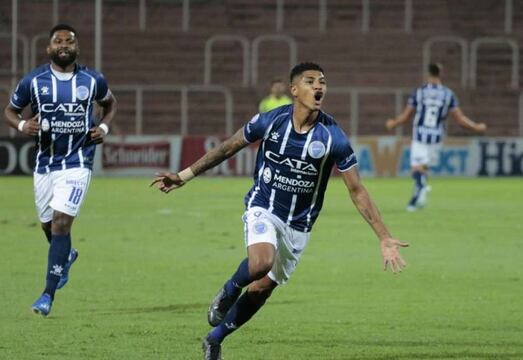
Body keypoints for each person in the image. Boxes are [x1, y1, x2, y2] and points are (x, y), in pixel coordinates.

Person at [151, 62, 408, 360]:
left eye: (322, 82)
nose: (319, 87)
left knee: (262, 289)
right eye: (310, 81)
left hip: (299, 227)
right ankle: (229, 289)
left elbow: (357, 190)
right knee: (260, 263)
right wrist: (184, 176)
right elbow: (227, 148)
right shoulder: (271, 121)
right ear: (294, 90)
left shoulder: (333, 136)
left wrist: (384, 237)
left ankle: (214, 339)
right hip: (264, 207)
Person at [3, 24, 117, 316]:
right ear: (49, 48)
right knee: (47, 225)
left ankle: (47, 295)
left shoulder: (92, 79)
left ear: (77, 48)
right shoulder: (34, 80)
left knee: (61, 223)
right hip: (45, 164)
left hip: (78, 161)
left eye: (69, 41)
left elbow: (110, 103)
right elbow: (10, 110)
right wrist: (20, 125)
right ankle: (67, 254)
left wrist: (103, 126)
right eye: (58, 41)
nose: (64, 45)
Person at [386, 63, 486, 211]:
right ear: (441, 73)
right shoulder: (448, 94)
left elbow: (406, 116)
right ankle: (421, 195)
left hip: (420, 135)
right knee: (424, 167)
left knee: (416, 168)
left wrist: (393, 123)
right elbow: (460, 119)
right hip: (437, 137)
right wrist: (476, 127)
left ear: (427, 74)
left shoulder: (419, 92)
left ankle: (418, 194)